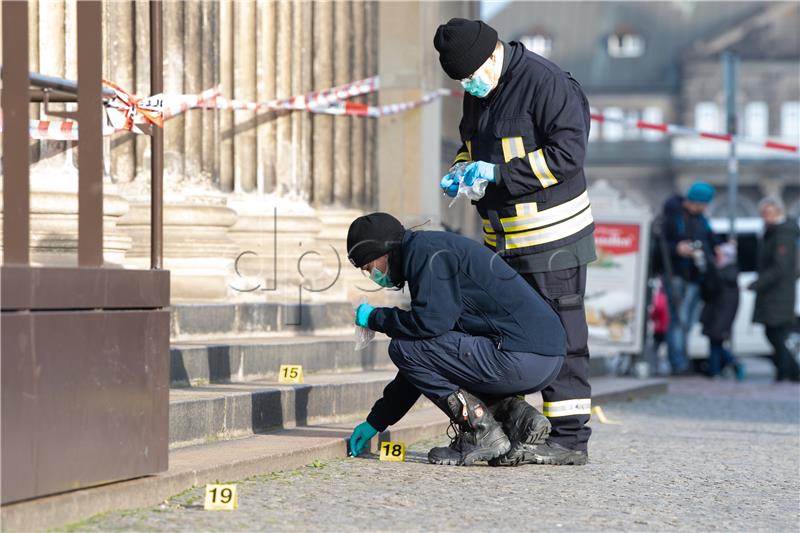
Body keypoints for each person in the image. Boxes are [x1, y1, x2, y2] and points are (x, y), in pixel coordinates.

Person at [433, 17, 594, 466]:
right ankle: (506, 429)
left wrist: (498, 174)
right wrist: (461, 169)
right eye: (460, 80)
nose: (468, 85)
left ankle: (568, 439)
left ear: (492, 56)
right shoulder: (479, 88)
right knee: (495, 334)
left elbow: (568, 155)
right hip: (502, 240)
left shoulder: (547, 83)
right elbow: (472, 143)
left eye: (470, 75)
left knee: (564, 336)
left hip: (554, 236)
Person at [345, 212, 570, 466]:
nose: (372, 275)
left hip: (519, 356)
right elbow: (428, 357)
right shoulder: (431, 249)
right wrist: (377, 420)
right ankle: (518, 418)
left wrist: (376, 318)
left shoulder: (424, 254)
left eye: (369, 267)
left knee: (403, 347)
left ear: (383, 251)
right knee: (425, 351)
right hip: (543, 359)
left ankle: (481, 433)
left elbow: (428, 325)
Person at [660, 181, 718, 374]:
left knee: (687, 322)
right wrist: (677, 249)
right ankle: (678, 363)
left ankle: (682, 360)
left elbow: (709, 240)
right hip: (676, 274)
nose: (703, 208)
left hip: (695, 277)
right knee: (679, 320)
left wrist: (717, 248)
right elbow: (659, 246)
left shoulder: (700, 219)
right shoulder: (671, 216)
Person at [749, 197, 799, 382]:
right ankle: (787, 371)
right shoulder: (772, 233)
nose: (765, 217)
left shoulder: (782, 234)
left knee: (777, 334)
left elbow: (780, 267)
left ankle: (789, 371)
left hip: (779, 293)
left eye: (769, 213)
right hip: (774, 293)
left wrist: (757, 284)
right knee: (774, 333)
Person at [700, 242, 744, 380]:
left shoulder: (725, 274)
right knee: (716, 345)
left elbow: (712, 289)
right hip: (716, 314)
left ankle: (717, 371)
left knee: (715, 345)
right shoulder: (727, 273)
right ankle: (725, 366)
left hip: (719, 316)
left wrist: (711, 268)